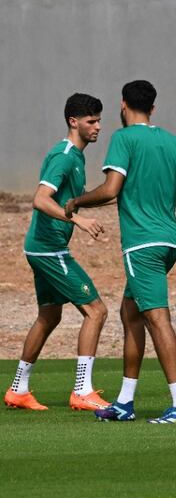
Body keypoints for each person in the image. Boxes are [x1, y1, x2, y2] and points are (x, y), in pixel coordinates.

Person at [68, 80, 176, 423]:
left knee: (158, 319)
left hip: (141, 245)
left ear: (123, 105)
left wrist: (77, 201)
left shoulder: (123, 139)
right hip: (169, 243)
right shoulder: (174, 142)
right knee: (130, 314)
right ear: (153, 108)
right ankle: (125, 402)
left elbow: (111, 190)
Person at [6, 94, 110, 412]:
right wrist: (77, 219)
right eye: (92, 121)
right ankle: (82, 391)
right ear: (73, 122)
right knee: (97, 311)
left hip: (42, 248)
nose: (98, 127)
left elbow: (68, 198)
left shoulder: (76, 156)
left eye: (99, 121)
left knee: (49, 316)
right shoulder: (65, 156)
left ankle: (18, 390)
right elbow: (40, 198)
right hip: (49, 250)